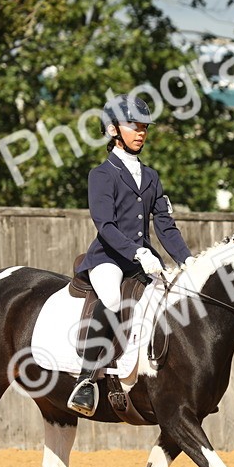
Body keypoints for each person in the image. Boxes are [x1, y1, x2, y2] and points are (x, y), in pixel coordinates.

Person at [66, 94, 194, 416]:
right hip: (109, 259)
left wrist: (187, 260)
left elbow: (165, 226)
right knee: (111, 299)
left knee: (170, 299)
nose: (141, 133)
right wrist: (137, 252)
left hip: (143, 261)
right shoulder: (101, 174)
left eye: (144, 127)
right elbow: (105, 225)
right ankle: (86, 380)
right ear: (113, 130)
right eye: (133, 126)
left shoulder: (151, 177)